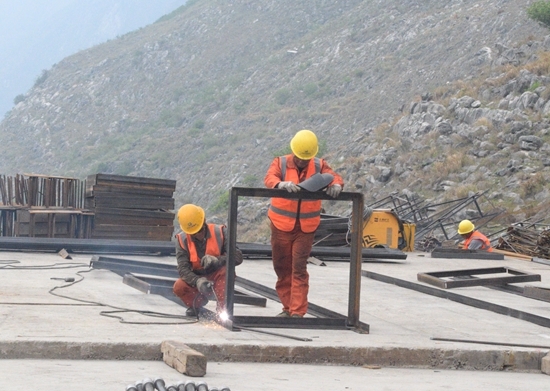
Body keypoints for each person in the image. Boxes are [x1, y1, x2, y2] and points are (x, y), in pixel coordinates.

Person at [264, 129, 344, 318]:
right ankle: (287, 308)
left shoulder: (319, 165)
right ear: (294, 152)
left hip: (305, 228)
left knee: (298, 268)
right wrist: (280, 184)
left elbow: (334, 176)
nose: (302, 162)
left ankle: (297, 312)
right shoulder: (280, 162)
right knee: (282, 267)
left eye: (306, 159)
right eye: (300, 158)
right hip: (281, 225)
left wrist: (337, 185)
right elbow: (269, 178)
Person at [173, 204, 243, 317]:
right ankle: (196, 304)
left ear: (204, 221)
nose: (198, 235)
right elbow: (183, 269)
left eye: (200, 230)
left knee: (226, 272)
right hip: (198, 279)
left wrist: (217, 260)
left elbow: (238, 257)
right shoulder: (182, 240)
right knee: (179, 287)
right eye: (193, 234)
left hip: (217, 276)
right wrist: (197, 281)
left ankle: (223, 311)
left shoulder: (221, 232)